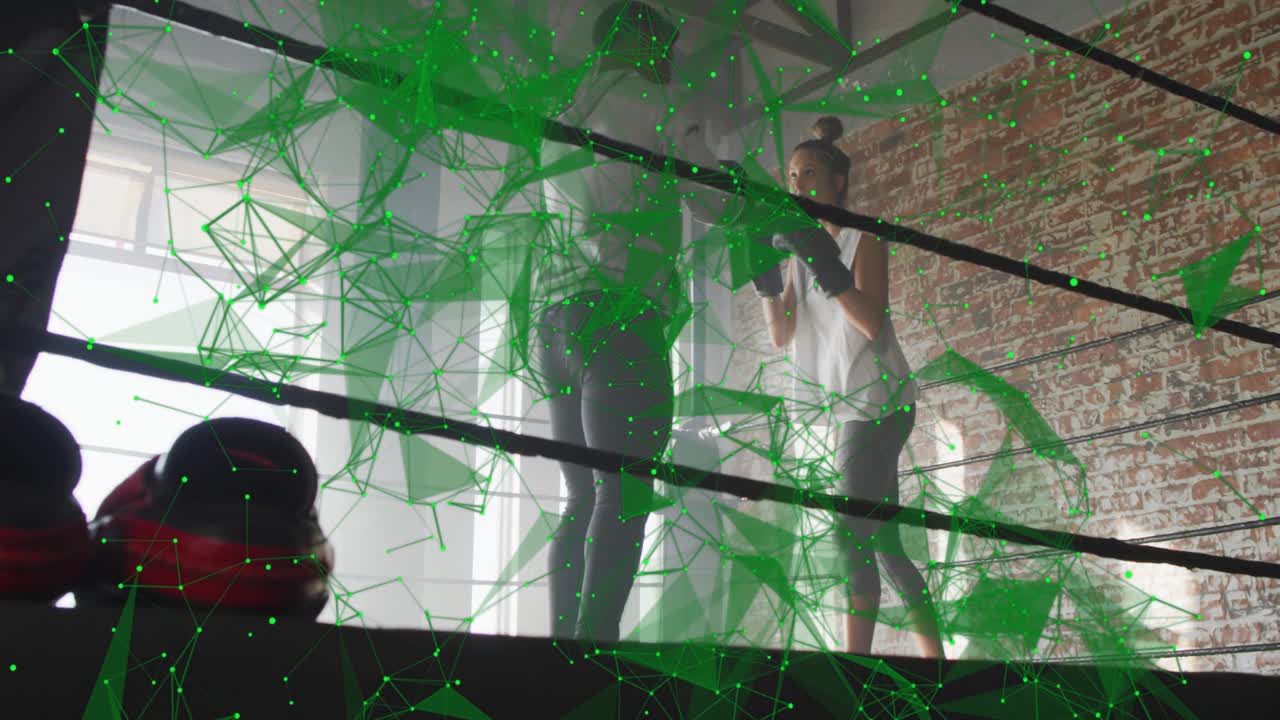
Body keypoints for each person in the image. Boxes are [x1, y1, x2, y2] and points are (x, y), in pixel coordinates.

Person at [534, 1, 722, 643]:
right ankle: (593, 656)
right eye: (664, 50)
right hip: (618, 317)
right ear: (642, 44)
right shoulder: (657, 105)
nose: (670, 64)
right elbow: (715, 199)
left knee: (583, 498)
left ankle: (559, 652)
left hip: (554, 324)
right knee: (624, 499)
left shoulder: (563, 112)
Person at [750, 115, 945, 658]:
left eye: (809, 172)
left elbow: (871, 322)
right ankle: (936, 661)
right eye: (791, 175)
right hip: (848, 405)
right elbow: (781, 335)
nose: (797, 184)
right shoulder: (797, 250)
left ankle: (852, 668)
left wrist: (821, 259)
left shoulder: (864, 237)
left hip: (880, 402)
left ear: (837, 181)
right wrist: (767, 279)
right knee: (884, 543)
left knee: (846, 534)